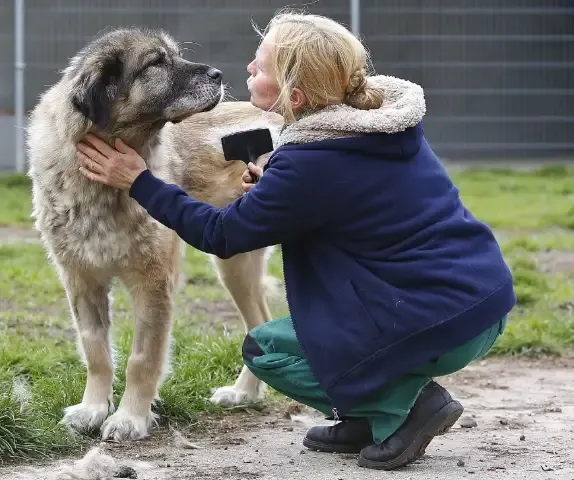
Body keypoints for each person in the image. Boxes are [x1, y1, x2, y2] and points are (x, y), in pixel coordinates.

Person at [76, 11, 515, 470]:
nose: (248, 68)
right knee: (319, 337)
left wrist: (140, 181)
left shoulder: (311, 165)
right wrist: (278, 190)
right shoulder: (376, 128)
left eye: (260, 66)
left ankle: (407, 404)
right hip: (479, 300)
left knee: (268, 349)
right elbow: (349, 199)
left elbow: (220, 234)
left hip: (435, 320)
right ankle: (364, 415)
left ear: (296, 95)